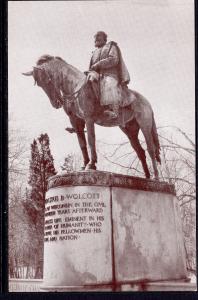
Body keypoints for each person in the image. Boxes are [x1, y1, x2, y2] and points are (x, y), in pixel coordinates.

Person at [88, 31, 131, 119]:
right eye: (95, 38)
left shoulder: (111, 46)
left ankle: (114, 110)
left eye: (98, 37)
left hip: (110, 74)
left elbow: (114, 59)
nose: (96, 39)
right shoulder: (94, 52)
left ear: (104, 39)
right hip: (96, 75)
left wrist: (98, 64)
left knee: (109, 83)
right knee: (85, 84)